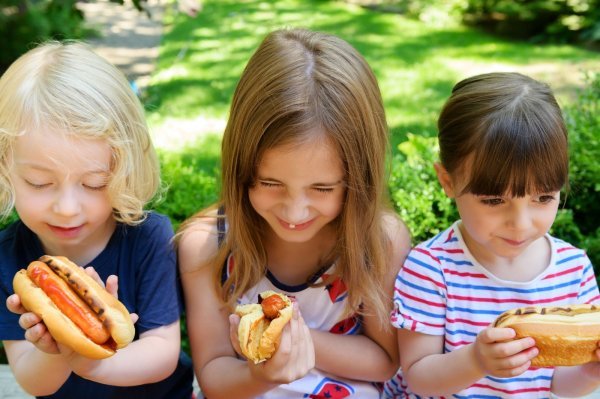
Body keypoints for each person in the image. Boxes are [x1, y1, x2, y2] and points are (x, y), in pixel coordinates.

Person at [176, 28, 411, 399]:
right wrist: (263, 375)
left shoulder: (379, 240)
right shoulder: (207, 246)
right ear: (242, 168)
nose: (295, 211)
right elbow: (213, 374)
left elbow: (384, 358)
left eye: (322, 189)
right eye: (270, 183)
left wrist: (283, 339)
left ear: (358, 178)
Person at [384, 72, 600, 398]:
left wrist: (591, 372)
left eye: (543, 198)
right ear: (448, 181)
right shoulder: (431, 268)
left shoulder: (574, 270)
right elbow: (418, 377)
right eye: (494, 200)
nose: (521, 223)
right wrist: (475, 360)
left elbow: (558, 384)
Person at [0, 41, 194, 398]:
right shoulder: (7, 257)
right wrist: (58, 349)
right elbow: (31, 379)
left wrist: (93, 361)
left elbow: (163, 351)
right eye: (39, 183)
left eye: (94, 183)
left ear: (123, 169)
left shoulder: (148, 237)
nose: (68, 208)